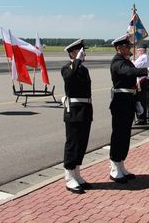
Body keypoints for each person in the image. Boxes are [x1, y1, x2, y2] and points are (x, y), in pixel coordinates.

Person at [109, 34, 149, 183]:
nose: (129, 48)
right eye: (126, 46)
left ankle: (120, 165)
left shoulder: (125, 61)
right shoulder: (117, 62)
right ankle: (114, 167)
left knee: (125, 136)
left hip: (128, 100)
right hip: (120, 102)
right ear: (119, 48)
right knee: (118, 135)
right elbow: (129, 72)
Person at [61, 39, 93, 194]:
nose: (83, 53)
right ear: (73, 53)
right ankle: (69, 177)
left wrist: (79, 62)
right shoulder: (66, 68)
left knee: (82, 144)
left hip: (86, 110)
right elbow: (70, 77)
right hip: (74, 111)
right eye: (81, 51)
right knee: (72, 144)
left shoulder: (83, 69)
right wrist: (77, 60)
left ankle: (77, 175)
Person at [133, 42, 149, 125]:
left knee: (140, 100)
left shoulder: (143, 57)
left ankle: (141, 118)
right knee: (141, 100)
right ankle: (142, 117)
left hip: (141, 80)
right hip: (142, 79)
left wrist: (132, 62)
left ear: (141, 51)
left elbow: (134, 66)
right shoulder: (145, 57)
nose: (136, 53)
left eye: (137, 51)